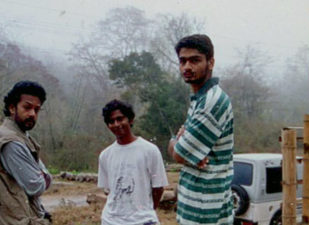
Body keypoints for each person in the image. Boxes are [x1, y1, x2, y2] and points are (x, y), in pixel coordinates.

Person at [168, 34, 234, 225]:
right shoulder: (199, 99)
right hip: (193, 206)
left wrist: (177, 144)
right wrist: (181, 144)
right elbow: (182, 152)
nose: (187, 67)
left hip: (206, 211)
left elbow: (179, 155)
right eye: (183, 61)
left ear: (210, 62)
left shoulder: (212, 101)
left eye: (195, 60)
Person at [0, 81, 52, 225]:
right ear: (12, 107)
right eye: (27, 107)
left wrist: (43, 175)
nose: (32, 114)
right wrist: (42, 175)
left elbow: (47, 178)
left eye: (37, 109)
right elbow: (36, 185)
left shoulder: (22, 136)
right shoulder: (10, 142)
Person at [98, 99, 169, 225]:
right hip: (111, 221)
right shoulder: (105, 155)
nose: (116, 124)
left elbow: (158, 188)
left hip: (144, 220)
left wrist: (145, 211)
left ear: (130, 120)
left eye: (120, 119)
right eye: (111, 121)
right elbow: (109, 190)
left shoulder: (150, 150)